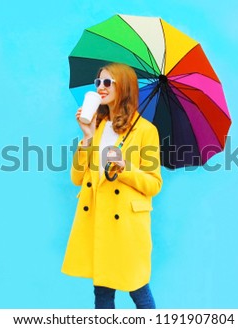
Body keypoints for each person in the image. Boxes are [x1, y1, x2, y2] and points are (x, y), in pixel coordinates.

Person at [61, 62, 163, 309]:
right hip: (99, 220)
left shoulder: (145, 131)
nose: (101, 88)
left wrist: (125, 167)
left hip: (127, 226)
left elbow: (154, 184)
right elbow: (77, 178)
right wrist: (86, 137)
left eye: (108, 82)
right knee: (102, 293)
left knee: (138, 290)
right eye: (98, 82)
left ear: (124, 87)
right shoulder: (96, 126)